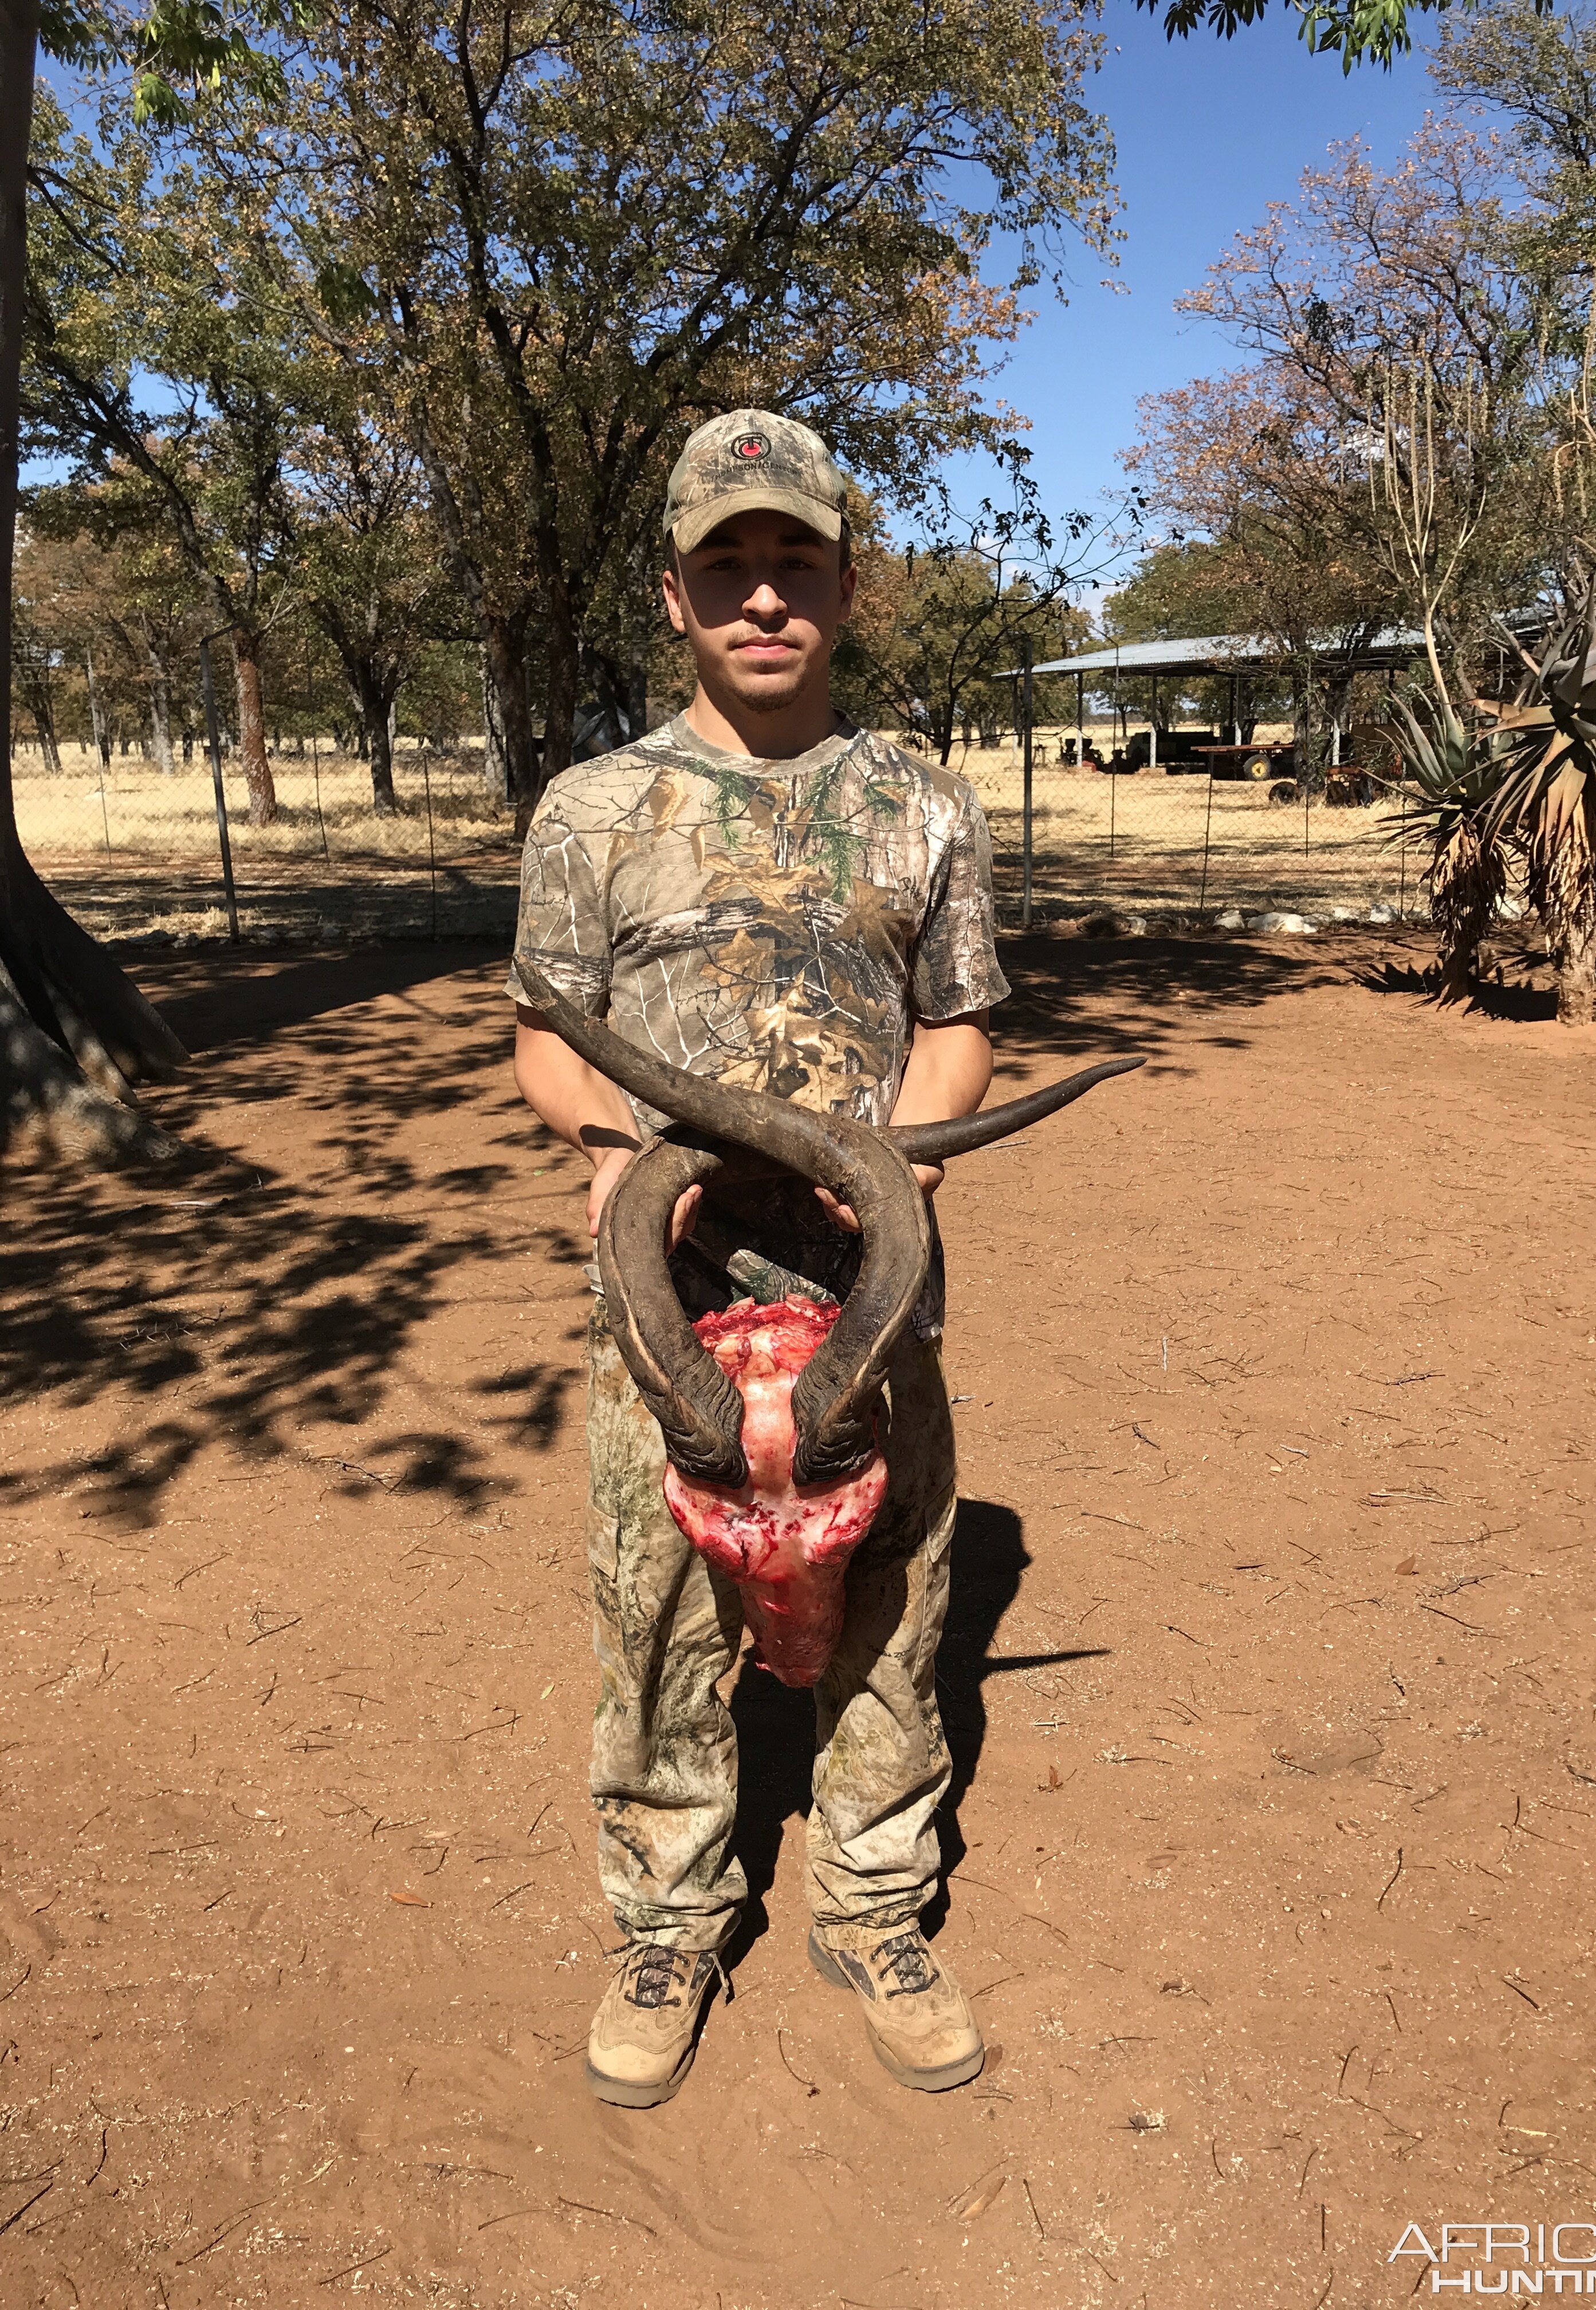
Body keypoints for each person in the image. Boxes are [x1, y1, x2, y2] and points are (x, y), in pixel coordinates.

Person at [508, 408, 1009, 2109]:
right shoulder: (591, 807)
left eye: (796, 559)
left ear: (847, 587)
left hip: (869, 1295)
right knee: (650, 1605)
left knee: (897, 1591)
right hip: (669, 1305)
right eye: (730, 562)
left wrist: (901, 1183)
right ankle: (667, 1916)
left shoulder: (921, 802)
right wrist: (602, 1160)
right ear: (674, 594)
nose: (765, 593)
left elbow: (957, 1033)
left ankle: (875, 1906)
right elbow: (547, 1037)